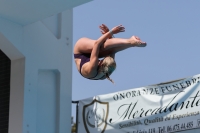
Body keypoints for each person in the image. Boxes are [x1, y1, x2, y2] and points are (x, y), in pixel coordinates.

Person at [74, 24, 147, 83]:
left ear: (101, 64)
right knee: (112, 50)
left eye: (101, 60)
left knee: (101, 47)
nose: (100, 60)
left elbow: (97, 44)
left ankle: (130, 41)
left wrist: (111, 31)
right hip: (90, 58)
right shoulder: (108, 70)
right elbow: (112, 49)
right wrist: (109, 35)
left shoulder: (92, 69)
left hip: (80, 51)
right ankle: (132, 44)